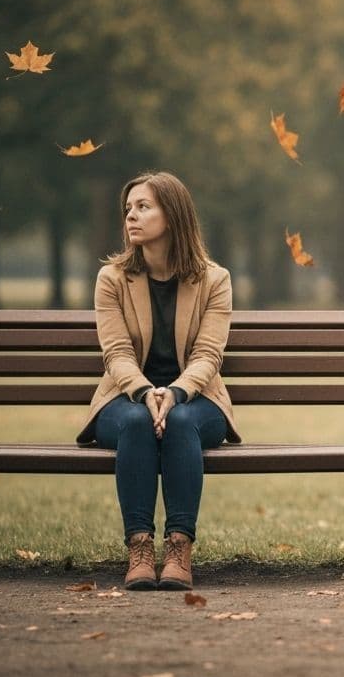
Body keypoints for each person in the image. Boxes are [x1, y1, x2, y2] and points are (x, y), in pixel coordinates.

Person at [76, 171, 240, 591]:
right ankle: (140, 548)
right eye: (128, 208)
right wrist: (147, 393)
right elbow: (117, 354)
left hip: (197, 399)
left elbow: (208, 355)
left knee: (182, 421)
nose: (131, 215)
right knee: (135, 422)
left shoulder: (213, 280)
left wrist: (177, 392)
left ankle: (179, 548)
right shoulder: (111, 279)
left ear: (174, 214)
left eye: (143, 206)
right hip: (126, 398)